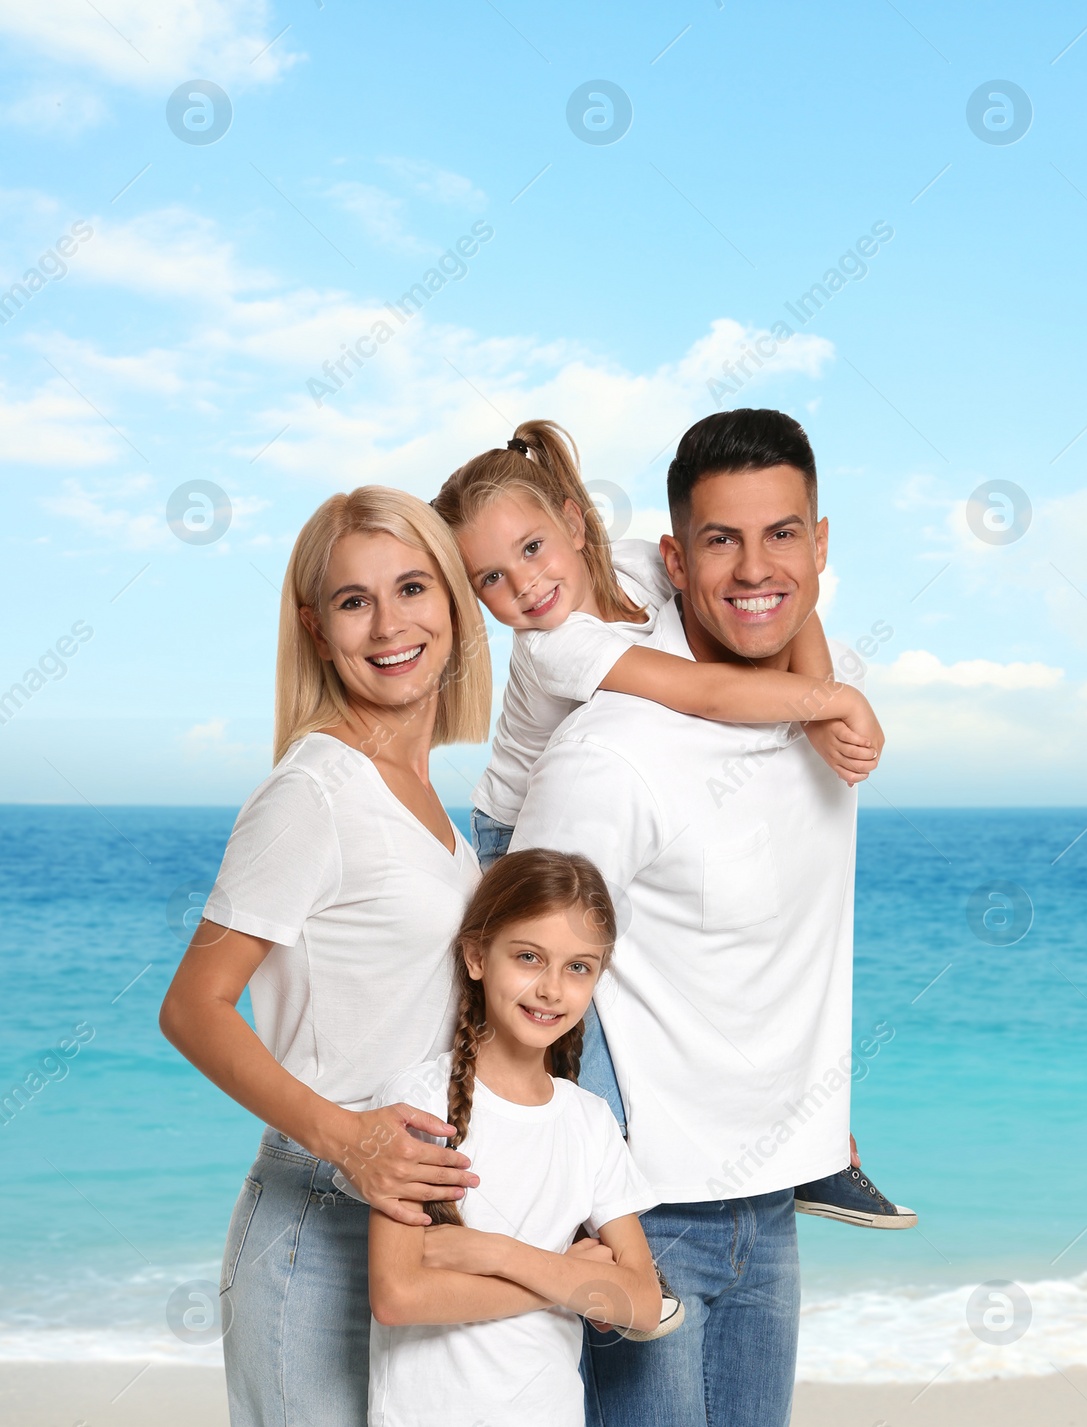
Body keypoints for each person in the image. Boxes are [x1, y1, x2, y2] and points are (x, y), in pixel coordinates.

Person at [432, 421, 914, 1235]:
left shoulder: (644, 564)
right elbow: (704, 693)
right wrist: (827, 703)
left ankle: (812, 1149)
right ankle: (598, 1212)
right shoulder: (557, 645)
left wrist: (820, 690)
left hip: (597, 809)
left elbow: (785, 604)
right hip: (513, 834)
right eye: (491, 577)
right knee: (594, 1048)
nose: (525, 585)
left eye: (534, 548)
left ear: (575, 525)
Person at [512, 408, 895, 1426]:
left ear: (821, 546)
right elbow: (516, 983)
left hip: (769, 1199)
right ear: (675, 560)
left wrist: (811, 1110)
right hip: (642, 1212)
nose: (754, 568)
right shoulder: (615, 750)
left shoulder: (831, 687)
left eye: (783, 534)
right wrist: (570, 1197)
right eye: (721, 539)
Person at [159, 487, 493, 1427]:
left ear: (455, 606)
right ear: (316, 627)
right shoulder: (314, 791)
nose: (390, 624)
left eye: (413, 587)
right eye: (355, 601)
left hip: (409, 1230)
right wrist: (349, 1141)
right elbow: (191, 1006)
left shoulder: (432, 804)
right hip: (315, 1225)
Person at [367, 848, 664, 1427]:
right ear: (477, 956)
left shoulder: (590, 1120)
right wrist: (569, 1280)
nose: (552, 989)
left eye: (579, 967)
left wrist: (496, 1254)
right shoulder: (419, 1103)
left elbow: (644, 1305)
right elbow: (399, 1297)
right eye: (529, 957)